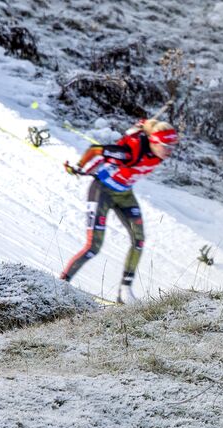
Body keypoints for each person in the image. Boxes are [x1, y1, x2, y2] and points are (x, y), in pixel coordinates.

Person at [60, 119, 179, 303]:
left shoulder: (154, 149)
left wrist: (142, 125)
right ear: (155, 142)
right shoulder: (129, 152)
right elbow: (94, 149)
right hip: (102, 192)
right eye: (166, 146)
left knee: (139, 241)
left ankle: (124, 292)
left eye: (173, 146)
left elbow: (142, 129)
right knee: (93, 247)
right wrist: (79, 166)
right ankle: (61, 285)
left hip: (124, 193)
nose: (170, 151)